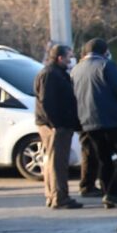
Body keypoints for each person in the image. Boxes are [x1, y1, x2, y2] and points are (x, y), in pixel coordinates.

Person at [70, 38, 117, 209]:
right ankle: (115, 193)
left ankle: (107, 193)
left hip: (87, 121)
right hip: (112, 119)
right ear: (104, 51)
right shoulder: (106, 66)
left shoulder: (76, 69)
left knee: (103, 159)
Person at [33, 44, 83, 209]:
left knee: (54, 162)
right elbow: (47, 102)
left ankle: (54, 195)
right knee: (57, 163)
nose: (71, 59)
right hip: (56, 127)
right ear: (60, 58)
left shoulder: (57, 74)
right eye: (69, 56)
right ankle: (59, 197)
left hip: (60, 125)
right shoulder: (50, 75)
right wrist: (55, 124)